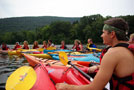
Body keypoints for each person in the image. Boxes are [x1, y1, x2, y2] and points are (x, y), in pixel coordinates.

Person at [56, 18, 134, 90]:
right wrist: (98, 66)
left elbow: (95, 88)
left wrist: (67, 87)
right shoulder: (128, 49)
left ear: (112, 34)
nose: (101, 35)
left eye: (103, 32)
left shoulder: (112, 54)